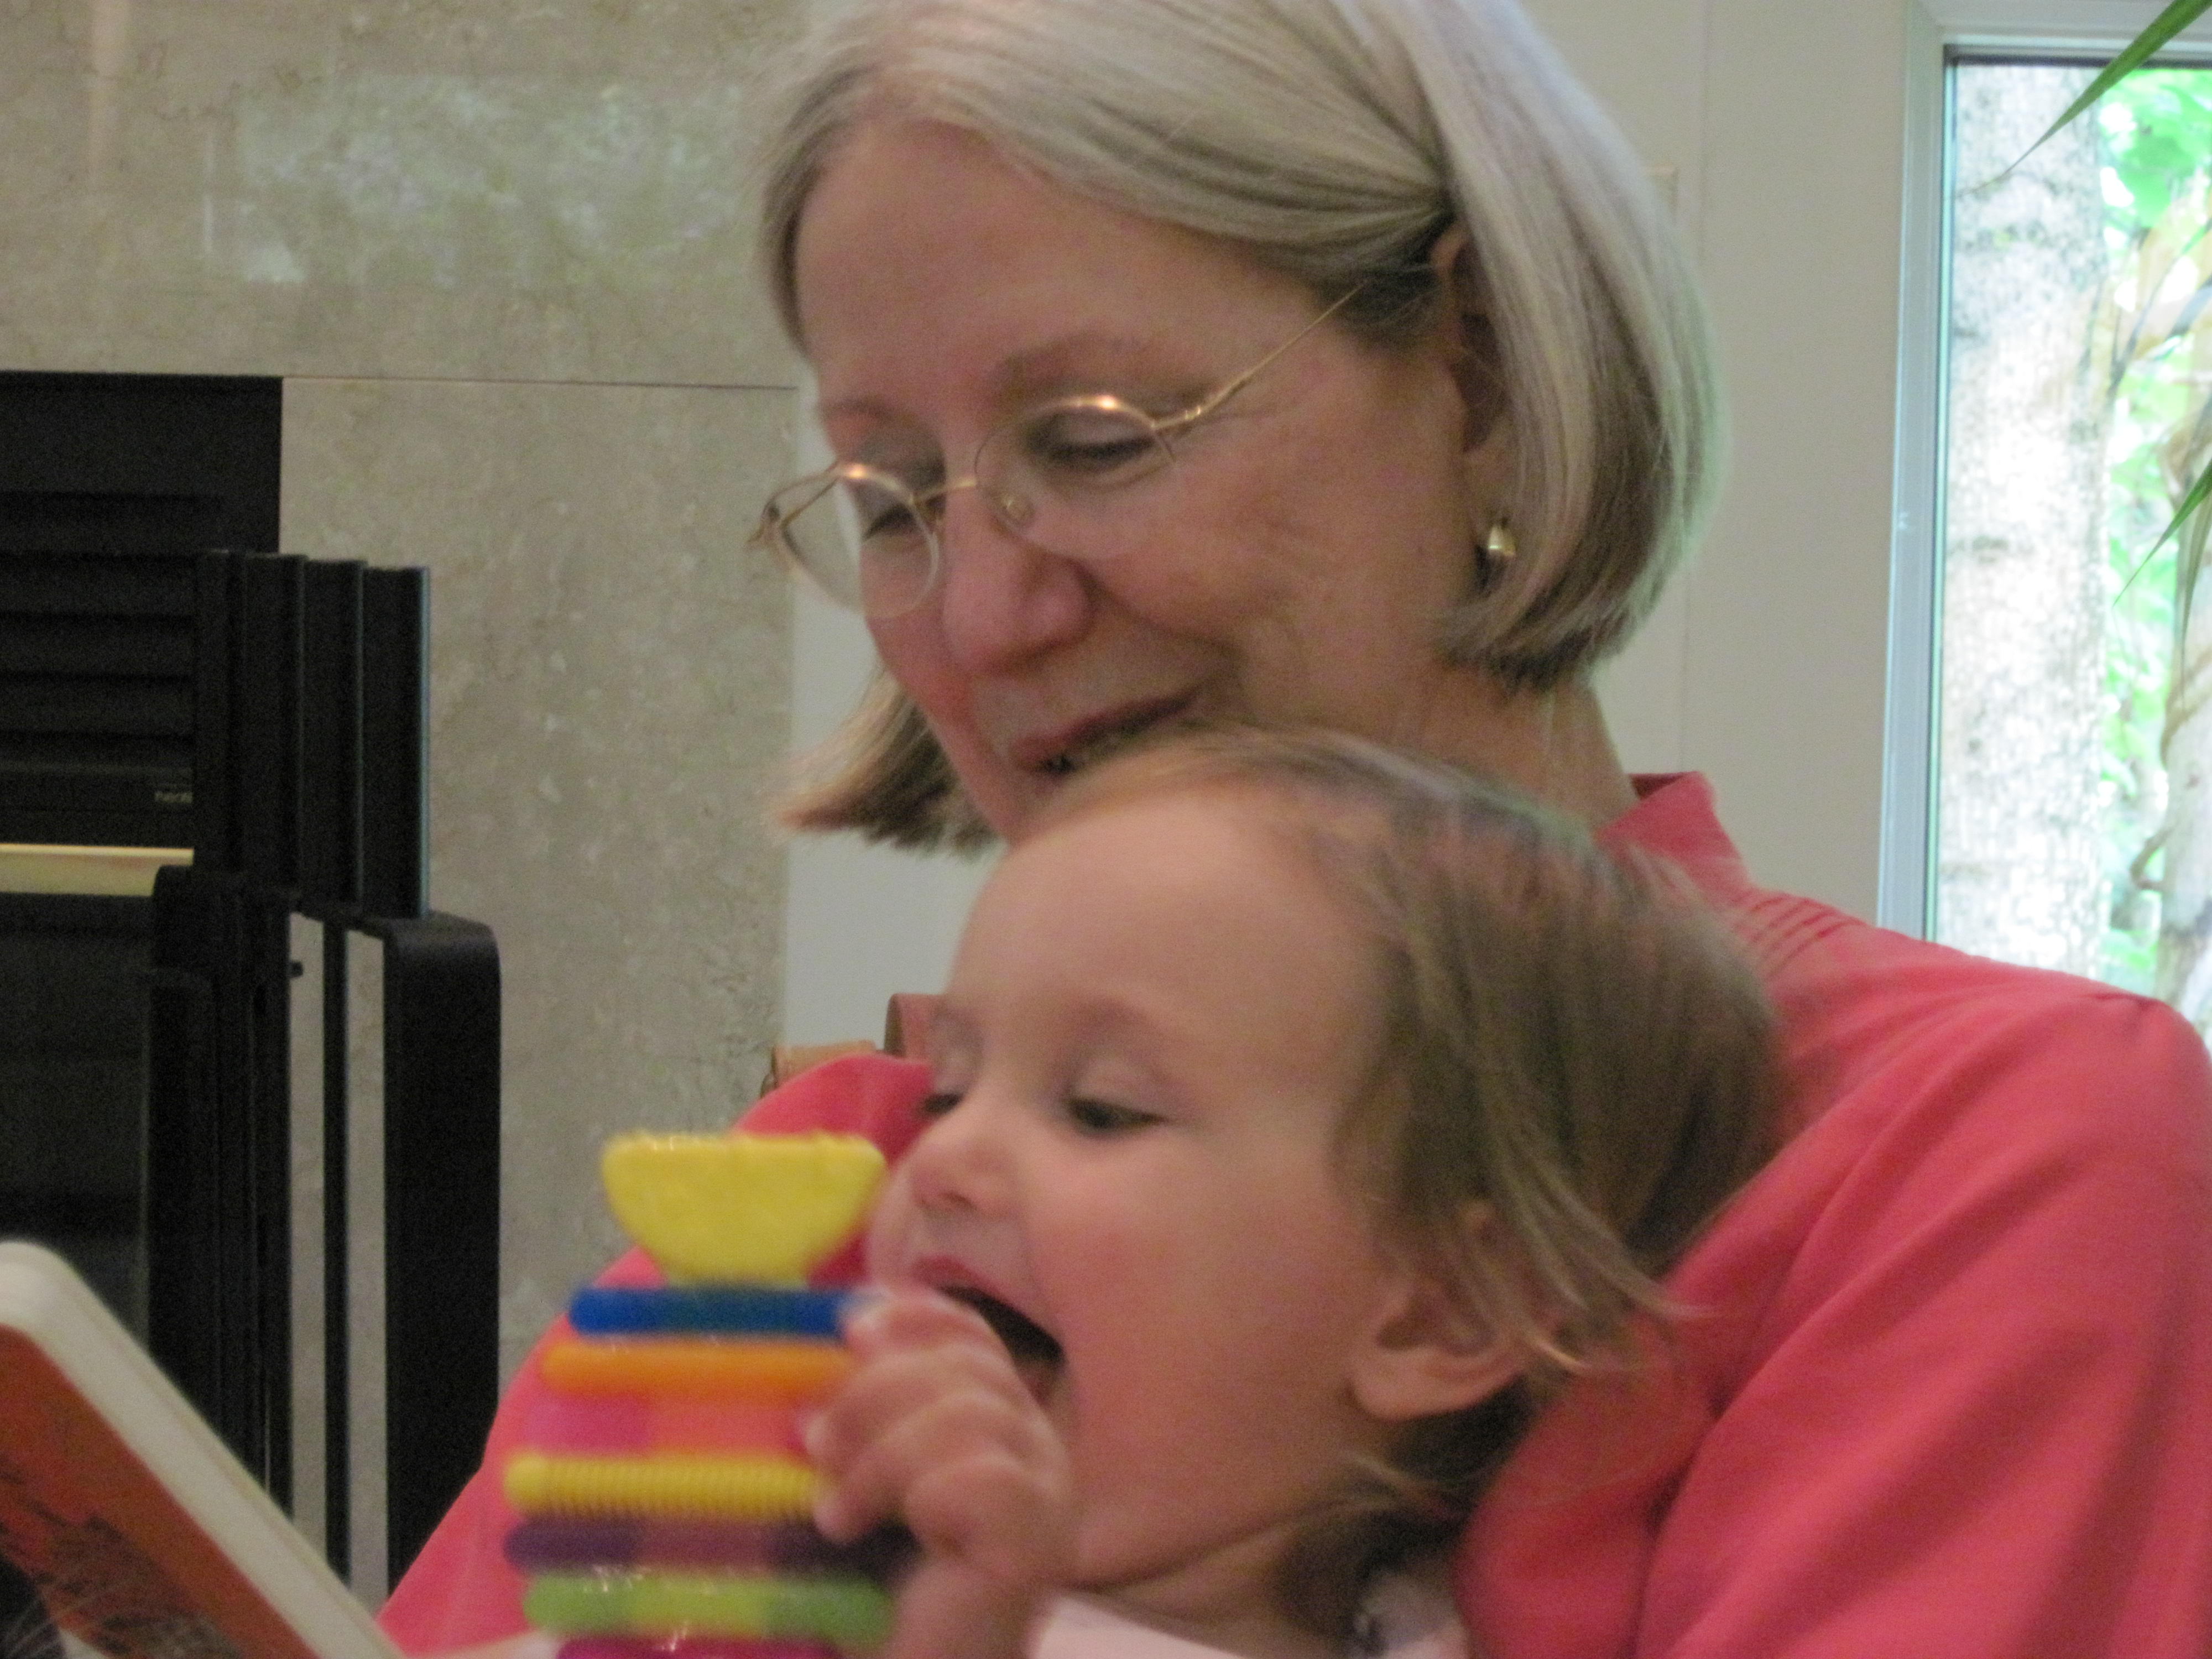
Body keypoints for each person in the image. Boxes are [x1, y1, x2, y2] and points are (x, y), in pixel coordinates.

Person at [380, 0, 2212, 1653]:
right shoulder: (823, 1190)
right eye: (892, 496)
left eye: (1096, 438)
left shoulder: (1960, 1150)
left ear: (1484, 380)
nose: (981, 613)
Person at [812, 729, 1779, 1659]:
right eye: (948, 1092)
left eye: (1102, 1111)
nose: (942, 1158)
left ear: (1438, 1314)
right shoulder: (782, 1526)